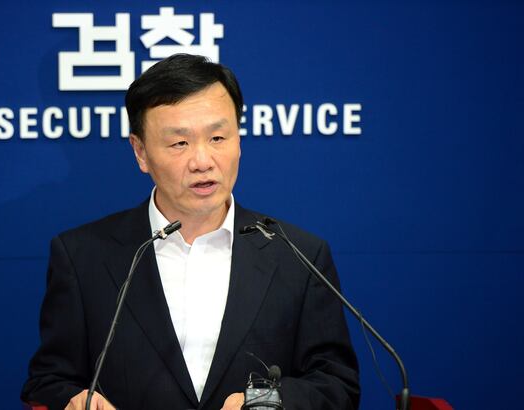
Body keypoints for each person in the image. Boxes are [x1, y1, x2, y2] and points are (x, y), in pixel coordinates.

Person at [21, 54, 360, 410]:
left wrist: (266, 402)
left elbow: (336, 385)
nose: (202, 161)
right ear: (140, 152)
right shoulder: (83, 256)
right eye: (179, 143)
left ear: (239, 140)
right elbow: (47, 381)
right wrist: (74, 401)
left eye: (217, 137)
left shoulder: (298, 255)